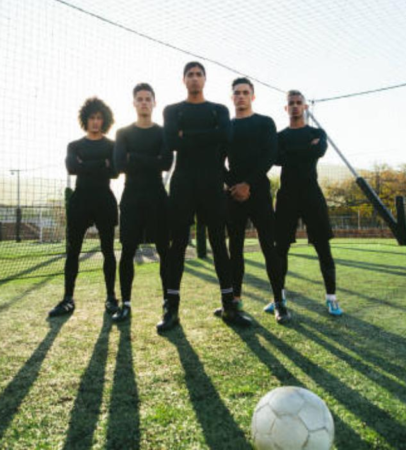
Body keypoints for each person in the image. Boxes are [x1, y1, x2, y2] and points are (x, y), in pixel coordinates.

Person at [158, 61, 252, 332]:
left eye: (199, 74)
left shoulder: (219, 109)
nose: (195, 78)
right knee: (178, 244)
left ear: (205, 79)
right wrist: (207, 136)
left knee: (219, 244)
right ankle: (171, 309)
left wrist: (187, 134)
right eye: (190, 74)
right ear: (183, 79)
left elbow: (226, 134)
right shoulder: (172, 110)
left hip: (212, 184)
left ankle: (229, 306)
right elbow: (171, 142)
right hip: (183, 184)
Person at [216, 77, 290, 324]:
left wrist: (248, 183)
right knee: (234, 249)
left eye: (245, 92)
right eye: (236, 93)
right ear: (232, 97)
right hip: (233, 195)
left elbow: (269, 155)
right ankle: (235, 300)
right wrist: (232, 185)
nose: (241, 96)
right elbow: (218, 160)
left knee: (269, 247)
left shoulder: (265, 122)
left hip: (258, 192)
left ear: (252, 97)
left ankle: (279, 301)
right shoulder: (226, 126)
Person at [274, 90, 343, 316]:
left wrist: (292, 153)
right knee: (280, 249)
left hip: (311, 195)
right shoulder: (279, 136)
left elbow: (319, 149)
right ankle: (278, 297)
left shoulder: (317, 132)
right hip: (286, 196)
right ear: (285, 109)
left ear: (305, 107)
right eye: (290, 103)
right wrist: (306, 150)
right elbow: (277, 158)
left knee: (323, 247)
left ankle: (331, 298)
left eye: (298, 103)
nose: (294, 106)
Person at [48, 97, 119, 317]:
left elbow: (115, 171)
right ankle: (68, 298)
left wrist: (85, 165)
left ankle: (111, 298)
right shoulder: (75, 145)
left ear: (104, 121)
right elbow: (71, 167)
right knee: (73, 251)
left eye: (99, 118)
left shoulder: (112, 146)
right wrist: (101, 165)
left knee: (108, 250)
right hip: (80, 201)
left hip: (104, 201)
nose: (95, 122)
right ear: (85, 120)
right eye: (92, 117)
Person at [112, 83, 173, 322]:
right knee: (127, 251)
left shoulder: (162, 133)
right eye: (140, 98)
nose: (144, 102)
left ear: (154, 102)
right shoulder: (123, 133)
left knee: (164, 251)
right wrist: (152, 159)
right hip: (131, 197)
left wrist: (133, 157)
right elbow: (119, 166)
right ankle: (125, 304)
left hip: (157, 196)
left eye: (148, 98)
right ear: (134, 103)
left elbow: (166, 163)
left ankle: (168, 302)